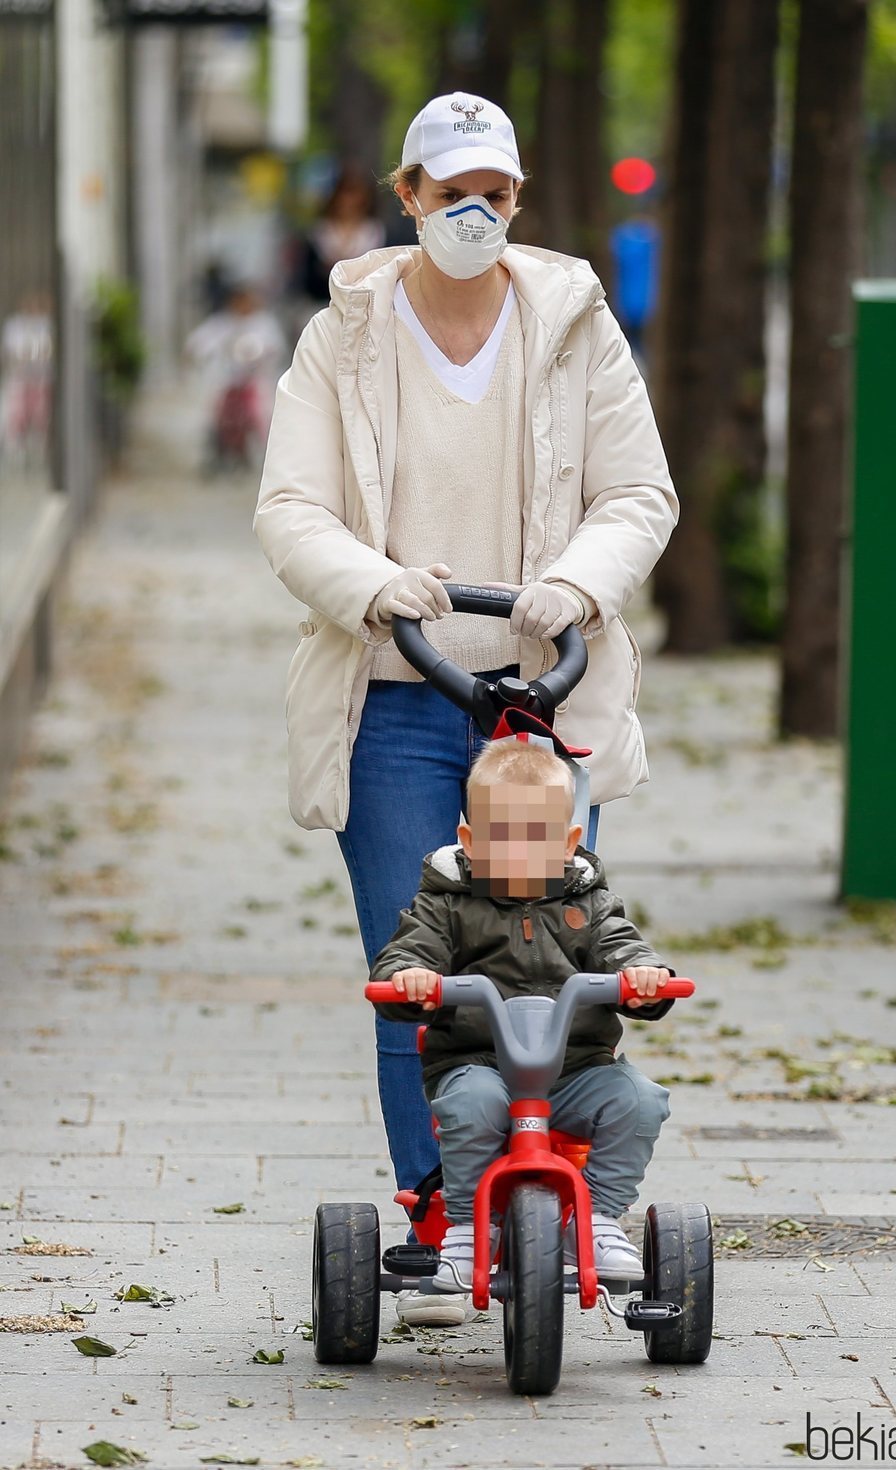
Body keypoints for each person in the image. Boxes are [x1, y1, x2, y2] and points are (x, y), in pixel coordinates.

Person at [253, 91, 679, 1324]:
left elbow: (635, 494)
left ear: (518, 196)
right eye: (451, 194)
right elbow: (292, 508)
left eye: (494, 190)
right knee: (417, 972)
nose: (475, 213)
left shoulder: (573, 323)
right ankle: (439, 1216)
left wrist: (573, 588)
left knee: (557, 959)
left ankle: (565, 1200)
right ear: (408, 199)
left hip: (541, 709)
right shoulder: (345, 333)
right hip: (392, 693)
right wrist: (376, 586)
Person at [370, 739, 674, 1292]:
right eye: (502, 836)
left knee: (640, 1100)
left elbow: (624, 948)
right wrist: (410, 977)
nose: (519, 850)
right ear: (469, 840)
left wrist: (643, 979)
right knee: (471, 1105)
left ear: (568, 843)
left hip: (576, 1068)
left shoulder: (589, 904)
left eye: (537, 837)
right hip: (478, 1061)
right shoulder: (447, 903)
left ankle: (597, 1217)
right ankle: (467, 1225)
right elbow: (409, 951)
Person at [186, 284, 286, 471]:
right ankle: (217, 451)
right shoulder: (220, 324)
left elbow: (274, 348)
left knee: (260, 413)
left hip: (255, 382)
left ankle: (266, 456)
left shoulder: (264, 324)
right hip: (225, 382)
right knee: (216, 414)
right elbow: (197, 344)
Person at [300, 165, 385, 305]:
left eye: (355, 195)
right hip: (322, 301)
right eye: (346, 194)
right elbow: (309, 276)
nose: (349, 201)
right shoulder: (321, 231)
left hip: (362, 303)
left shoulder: (373, 231)